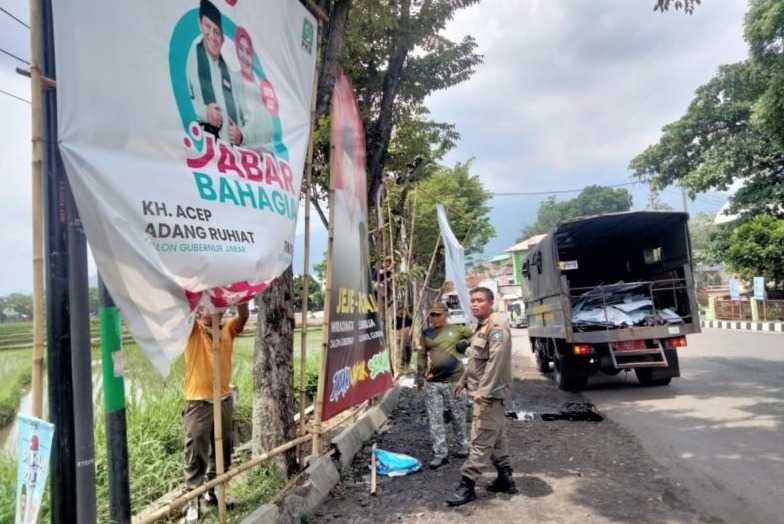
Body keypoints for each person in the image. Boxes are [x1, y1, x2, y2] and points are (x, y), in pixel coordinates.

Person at [446, 287, 517, 506]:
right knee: (495, 437)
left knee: (480, 439)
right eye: (472, 300)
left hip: (490, 395)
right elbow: (477, 361)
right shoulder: (481, 327)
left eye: (479, 301)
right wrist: (463, 381)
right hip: (483, 392)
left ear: (491, 302)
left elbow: (496, 362)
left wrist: (483, 391)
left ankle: (467, 485)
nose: (475, 304)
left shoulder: (497, 327)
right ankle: (506, 479)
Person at [183, 302, 249, 523]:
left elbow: (243, 317)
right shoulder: (193, 329)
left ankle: (214, 490)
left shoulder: (227, 329)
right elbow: (185, 310)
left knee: (225, 448)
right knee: (196, 448)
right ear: (200, 311)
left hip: (223, 399)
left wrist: (242, 300)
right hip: (198, 401)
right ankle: (193, 498)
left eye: (216, 305)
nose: (212, 310)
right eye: (206, 306)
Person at [417, 301, 473, 469]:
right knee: (435, 419)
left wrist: (466, 343)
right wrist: (419, 377)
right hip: (433, 382)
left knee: (458, 415)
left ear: (446, 314)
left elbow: (478, 334)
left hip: (455, 381)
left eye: (437, 314)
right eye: (432, 315)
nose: (434, 318)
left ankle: (462, 447)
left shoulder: (457, 330)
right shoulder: (426, 334)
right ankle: (440, 453)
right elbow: (420, 356)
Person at [186, 0, 243, 146]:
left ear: (223, 39)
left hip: (227, 159)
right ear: (199, 23)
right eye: (207, 26)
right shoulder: (189, 56)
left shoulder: (231, 74)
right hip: (198, 151)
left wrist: (240, 134)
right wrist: (204, 113)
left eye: (217, 31)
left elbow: (241, 119)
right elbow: (177, 102)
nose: (212, 36)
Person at [233, 27, 276, 151]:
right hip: (239, 155)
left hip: (261, 159)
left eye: (248, 51)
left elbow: (269, 131)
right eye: (240, 49)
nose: (244, 56)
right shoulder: (232, 79)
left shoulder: (262, 90)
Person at [395, 304, 414, 373]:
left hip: (407, 338)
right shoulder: (397, 318)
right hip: (400, 338)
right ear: (398, 310)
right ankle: (401, 369)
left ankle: (408, 367)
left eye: (403, 309)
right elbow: (395, 327)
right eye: (401, 309)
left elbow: (412, 320)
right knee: (402, 354)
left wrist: (407, 312)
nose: (402, 311)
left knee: (409, 353)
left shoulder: (408, 317)